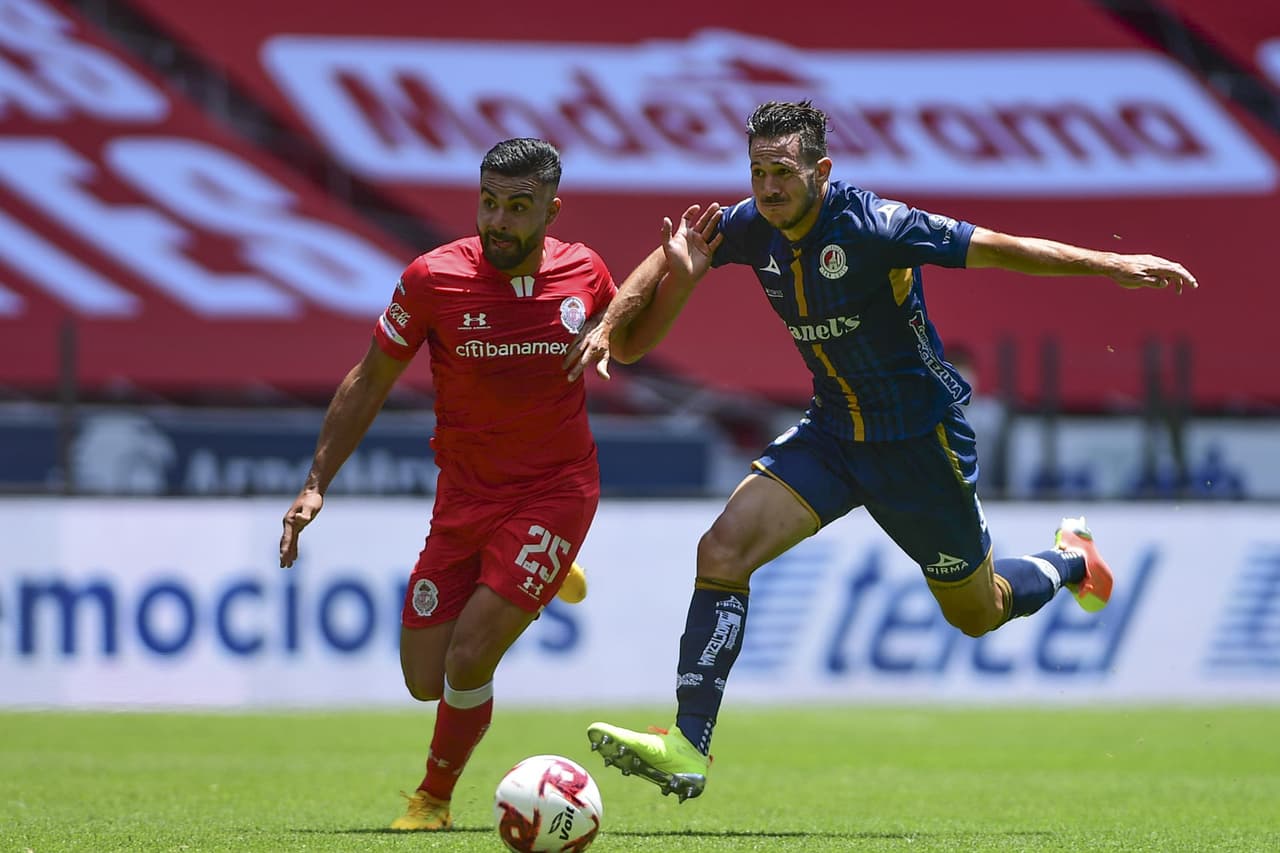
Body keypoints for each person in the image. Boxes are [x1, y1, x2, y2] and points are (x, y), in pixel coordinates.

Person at [565, 100, 1198, 802]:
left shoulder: (875, 224)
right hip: (833, 434)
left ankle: (1071, 559)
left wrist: (1110, 264)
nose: (768, 187)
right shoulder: (750, 226)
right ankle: (688, 743)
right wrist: (609, 324)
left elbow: (996, 246)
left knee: (978, 612)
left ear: (821, 170)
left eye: (782, 172)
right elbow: (664, 259)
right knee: (721, 551)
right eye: (757, 171)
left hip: (919, 444)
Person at [278, 137, 720, 830]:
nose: (498, 220)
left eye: (517, 207)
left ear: (551, 209)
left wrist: (682, 282)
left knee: (469, 655)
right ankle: (544, 574)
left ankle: (432, 799)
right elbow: (369, 379)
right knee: (423, 677)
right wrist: (316, 483)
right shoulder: (432, 279)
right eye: (488, 203)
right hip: (464, 497)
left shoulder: (582, 270)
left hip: (556, 489)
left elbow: (627, 343)